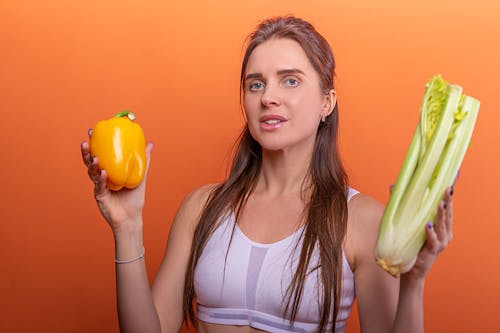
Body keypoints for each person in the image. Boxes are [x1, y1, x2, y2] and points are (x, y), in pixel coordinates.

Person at [81, 16, 454, 333]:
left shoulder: (362, 220)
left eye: (290, 80)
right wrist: (126, 227)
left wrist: (413, 282)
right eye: (255, 83)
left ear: (327, 101)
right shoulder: (202, 207)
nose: (268, 97)